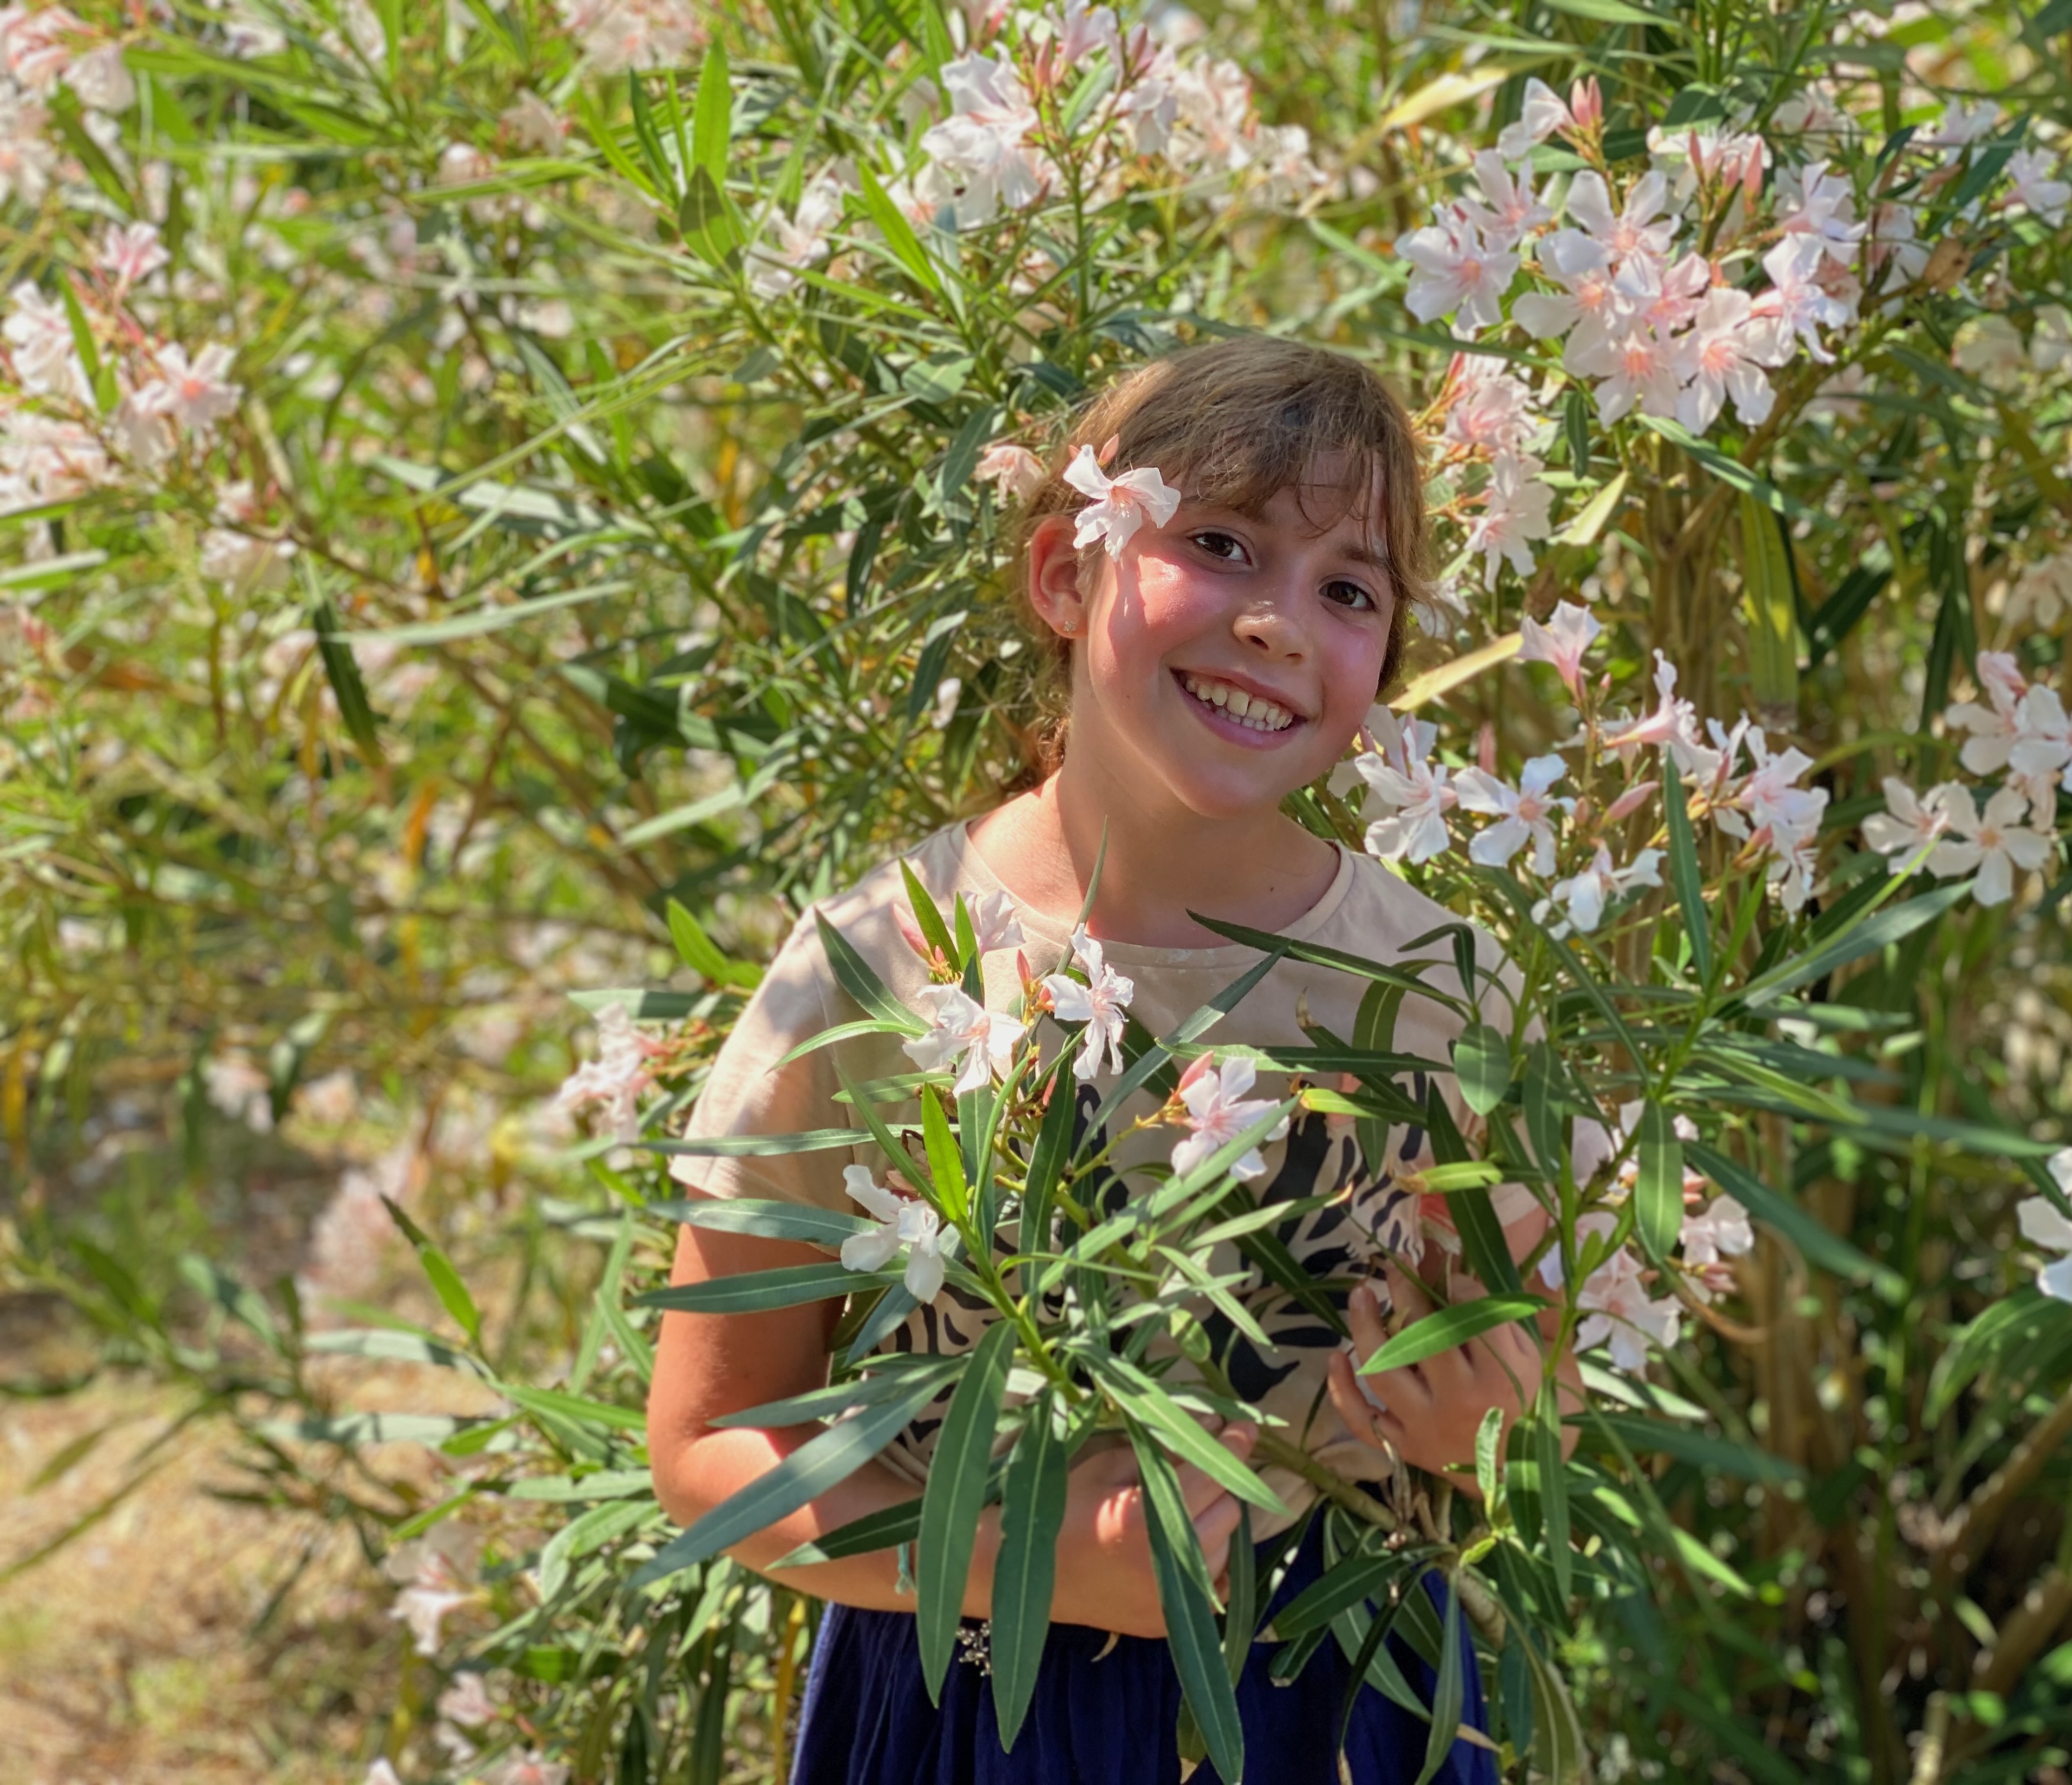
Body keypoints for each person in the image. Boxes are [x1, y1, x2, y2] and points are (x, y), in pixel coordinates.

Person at [645, 336, 1573, 1784]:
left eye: (1349, 589)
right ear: (1064, 576)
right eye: (1220, 544)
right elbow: (707, 1449)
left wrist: (1485, 1423)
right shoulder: (876, 965)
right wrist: (1029, 1565)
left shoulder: (1444, 991)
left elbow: (1534, 1373)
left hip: (1337, 1693)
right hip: (971, 1689)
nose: (1276, 623)